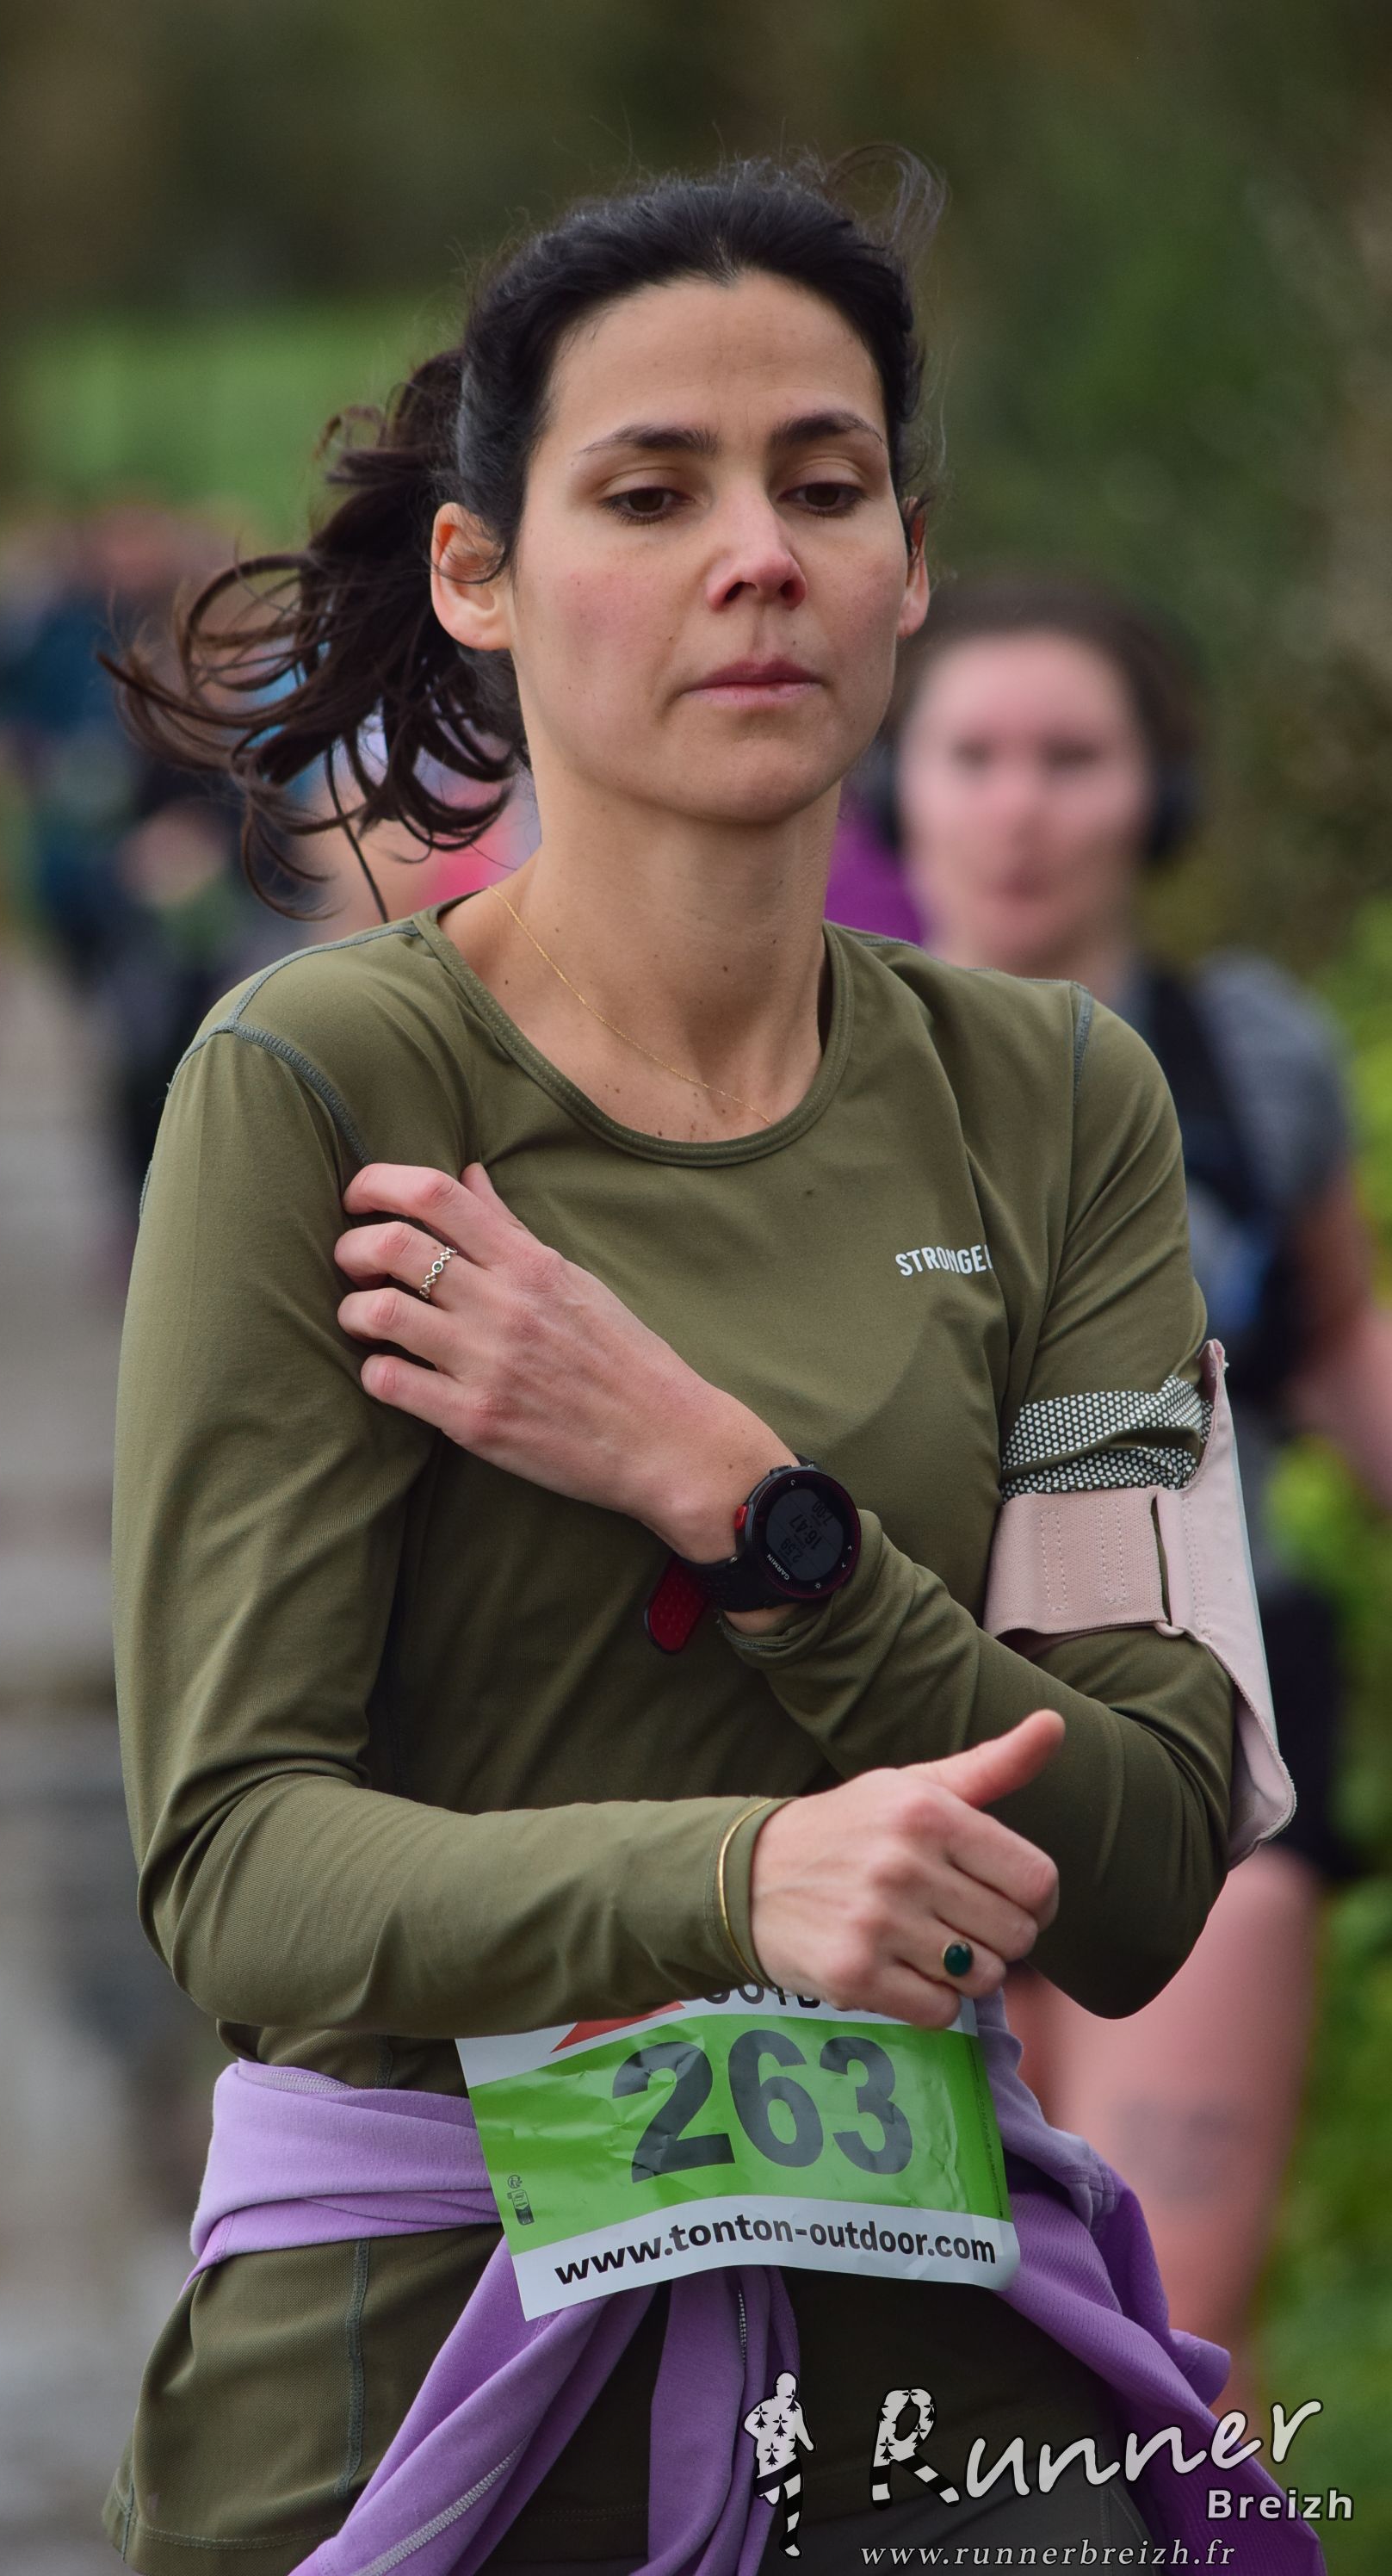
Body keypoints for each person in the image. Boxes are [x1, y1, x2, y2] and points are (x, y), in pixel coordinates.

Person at [102, 164, 1313, 2574]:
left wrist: (759, 1519)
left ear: (910, 563)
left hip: (946, 2411)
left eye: (824, 487)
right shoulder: (323, 1082)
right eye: (652, 494)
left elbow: (1144, 1864)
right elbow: (236, 1864)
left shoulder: (1060, 1094)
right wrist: (742, 1880)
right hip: (422, 2396)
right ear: (481, 573)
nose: (757, 556)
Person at [875, 569, 1392, 2424]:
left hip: (1203, 1742)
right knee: (919, 2370)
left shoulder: (1248, 1055)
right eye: (974, 755)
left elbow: (1335, 1341)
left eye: (1071, 758)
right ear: (897, 785)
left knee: (1159, 2357)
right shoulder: (797, 1054)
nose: (1018, 806)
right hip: (883, 1741)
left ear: (1155, 795)